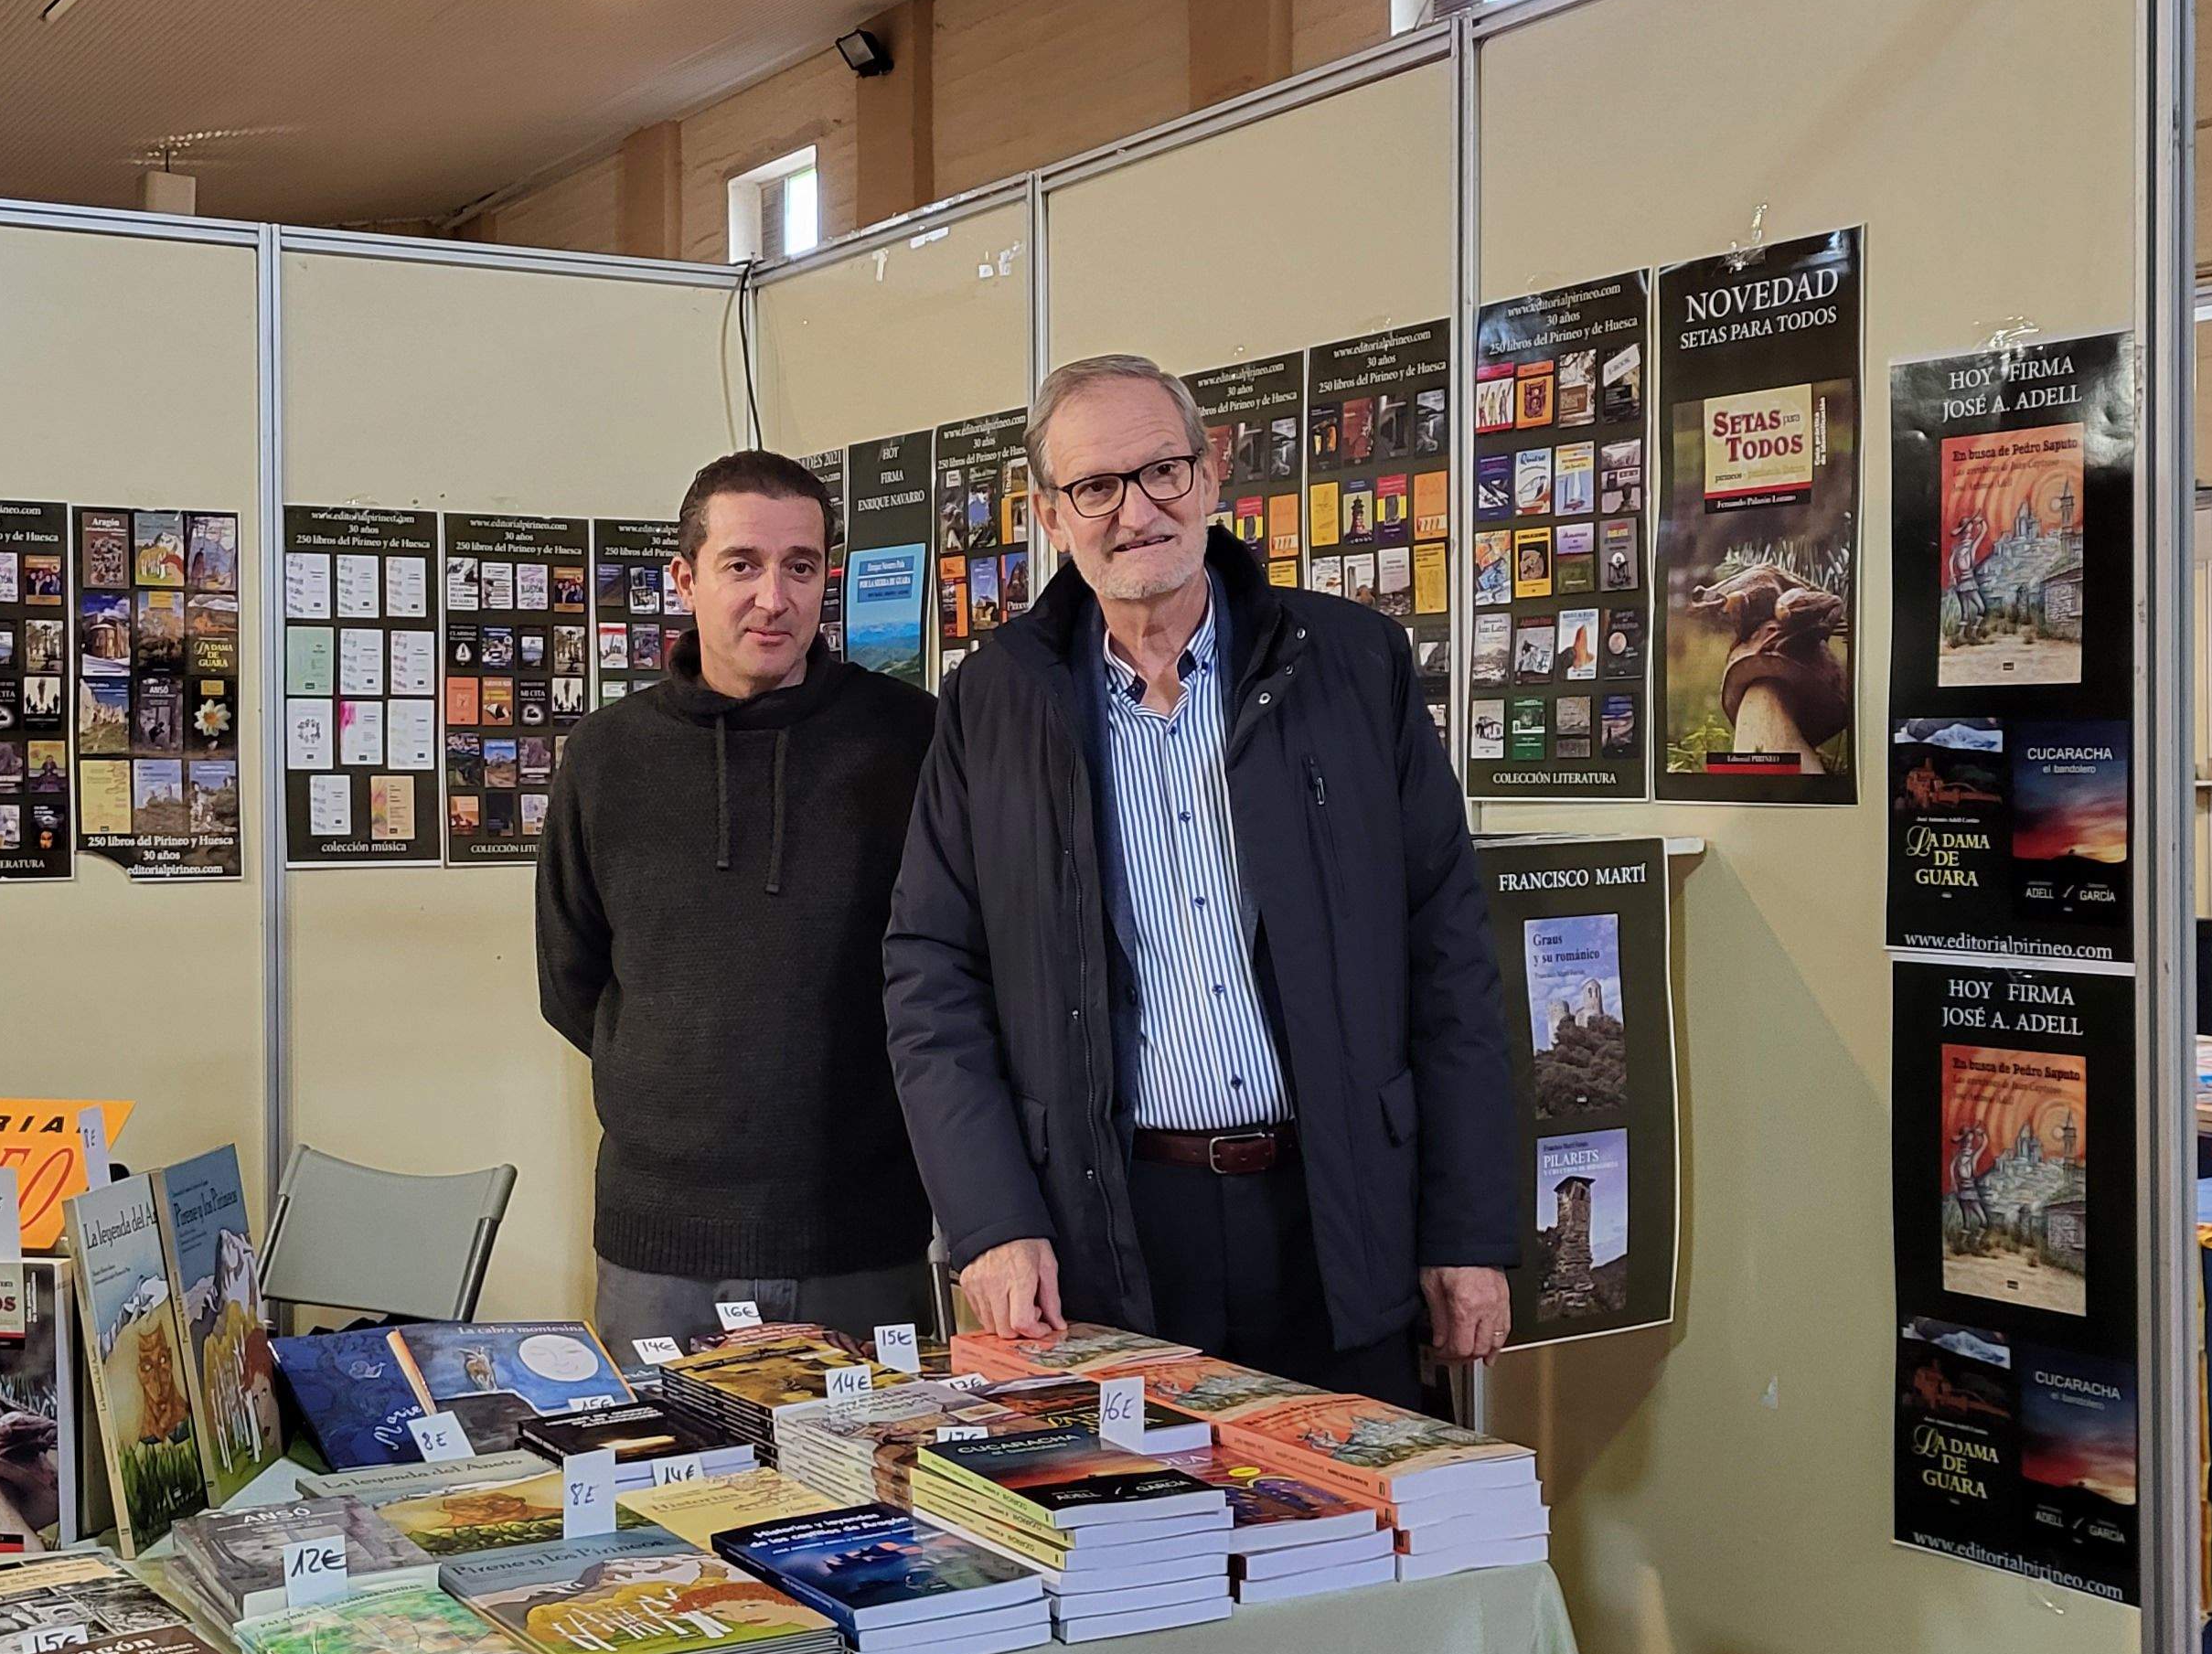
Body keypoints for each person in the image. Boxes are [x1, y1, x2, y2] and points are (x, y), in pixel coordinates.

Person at [885, 355, 1517, 1406]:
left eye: (1162, 470)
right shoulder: (995, 700)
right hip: (1108, 1224)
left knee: (1356, 1554)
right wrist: (992, 1221)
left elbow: (1446, 955)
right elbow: (930, 975)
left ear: (1212, 471)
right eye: (1095, 487)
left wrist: (1466, 1227)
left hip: (1340, 1210)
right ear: (1050, 515)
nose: (1136, 510)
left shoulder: (1351, 664)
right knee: (1140, 1553)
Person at [541, 451, 942, 1347]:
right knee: (663, 1487)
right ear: (684, 577)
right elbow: (569, 977)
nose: (774, 596)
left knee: (879, 1487)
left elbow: (956, 968)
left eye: (800, 566)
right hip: (660, 1253)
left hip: (862, 1240)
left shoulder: (913, 740)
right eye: (742, 565)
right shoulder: (607, 757)